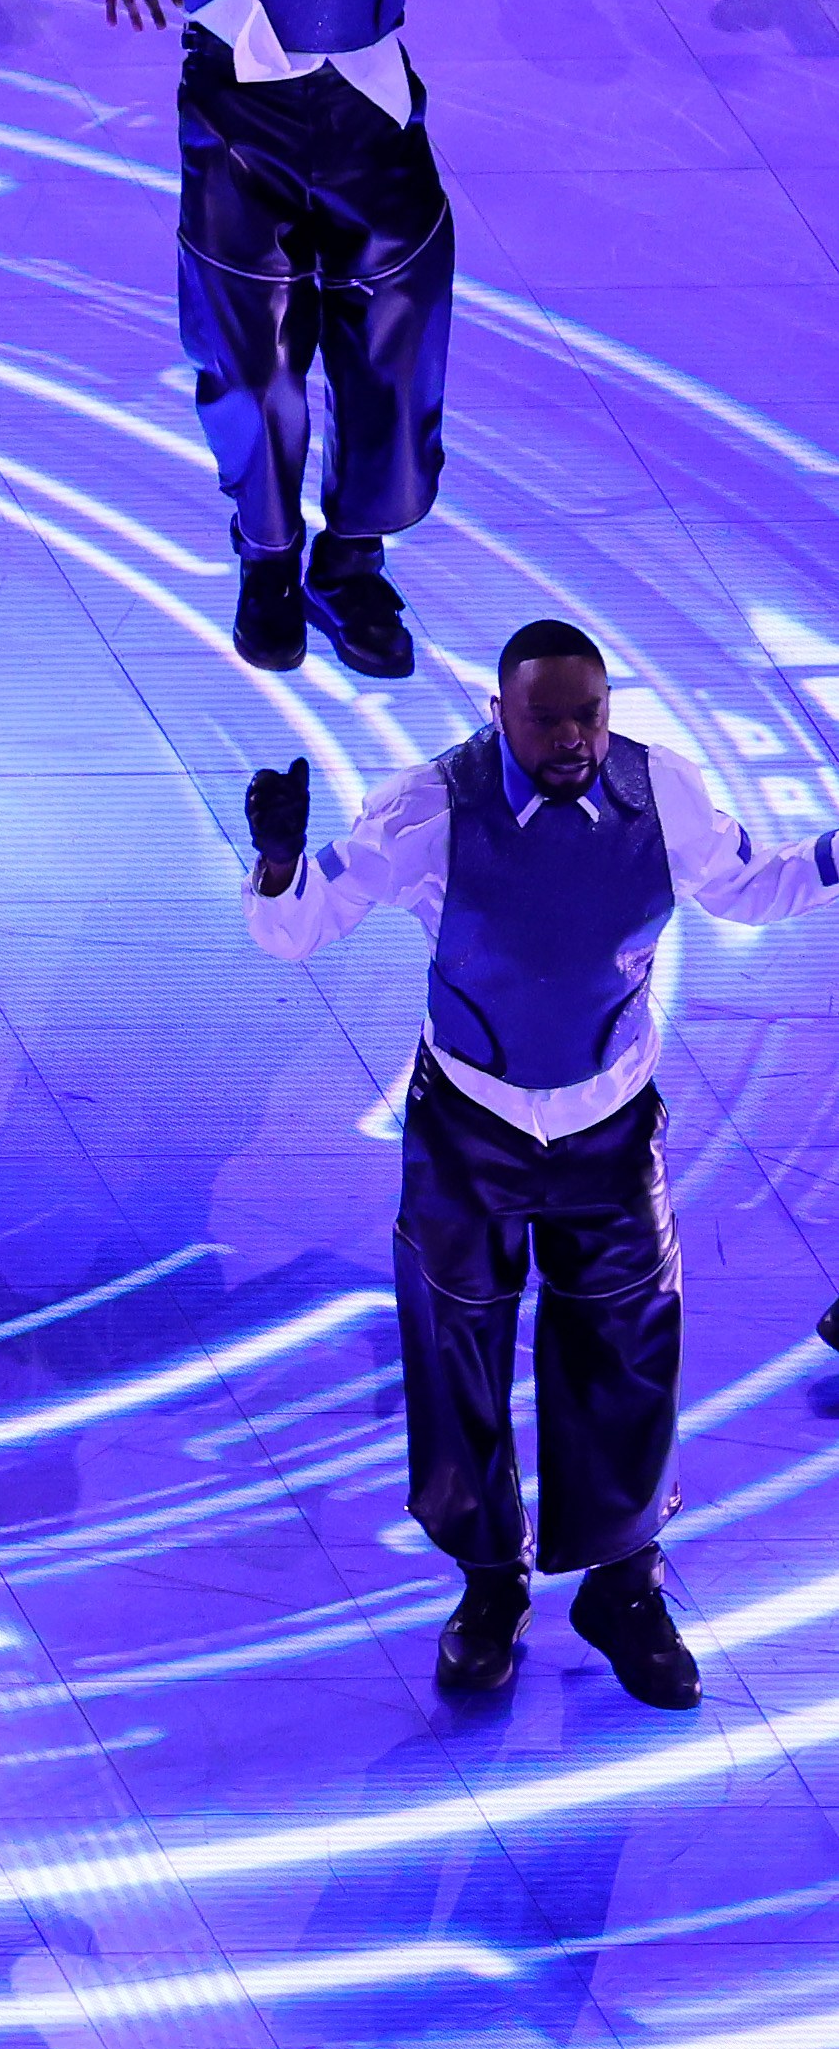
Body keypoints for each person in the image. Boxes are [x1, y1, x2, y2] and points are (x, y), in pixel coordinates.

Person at [0, 0, 686, 681]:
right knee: (250, 360)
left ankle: (349, 566)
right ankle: (267, 562)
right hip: (238, 111)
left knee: (399, 348)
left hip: (372, 108)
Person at [242, 622, 838, 1710]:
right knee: (455, 1345)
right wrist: (282, 861)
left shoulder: (666, 793)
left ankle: (624, 1585)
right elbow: (300, 929)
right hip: (470, 1128)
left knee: (626, 1348)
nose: (572, 739)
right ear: (499, 713)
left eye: (589, 715)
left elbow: (752, 886)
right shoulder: (428, 807)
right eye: (547, 718)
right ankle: (486, 1583)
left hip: (610, 1129)